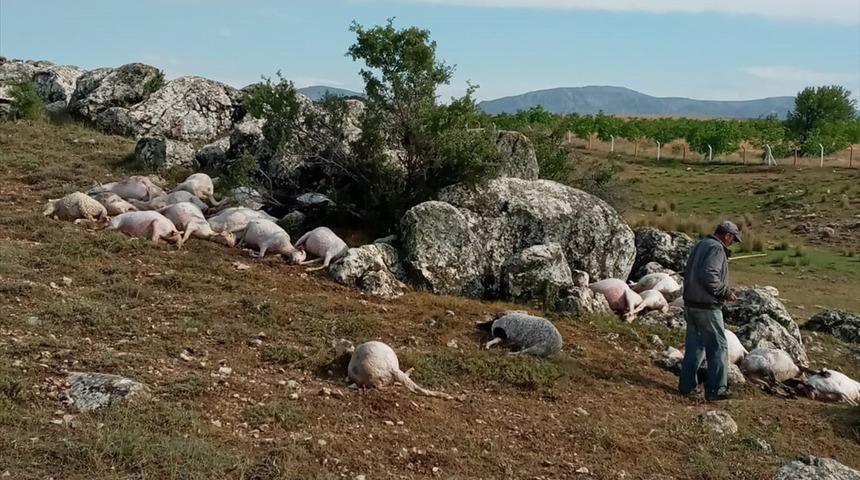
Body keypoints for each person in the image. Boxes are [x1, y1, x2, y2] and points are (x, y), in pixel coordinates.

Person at [678, 221, 742, 401]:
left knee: (694, 347)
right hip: (707, 307)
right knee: (718, 347)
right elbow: (710, 275)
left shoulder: (701, 244)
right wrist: (725, 292)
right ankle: (716, 389)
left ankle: (686, 386)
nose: (732, 243)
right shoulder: (716, 249)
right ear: (727, 235)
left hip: (691, 303)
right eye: (733, 239)